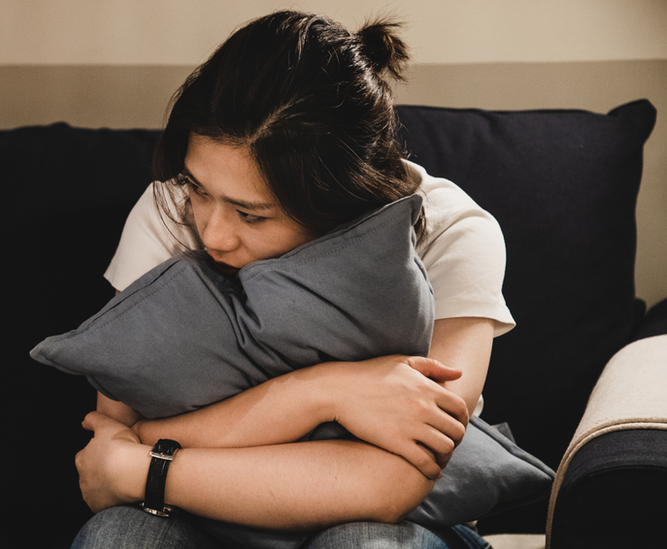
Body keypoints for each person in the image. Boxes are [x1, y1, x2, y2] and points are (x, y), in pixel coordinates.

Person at [72, 10, 514, 549]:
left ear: (342, 196)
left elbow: (389, 483)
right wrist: (328, 394)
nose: (212, 234)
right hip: (200, 520)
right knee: (119, 537)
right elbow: (104, 456)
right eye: (199, 188)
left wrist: (149, 462)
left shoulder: (450, 230)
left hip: (402, 524)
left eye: (252, 215)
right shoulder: (169, 209)